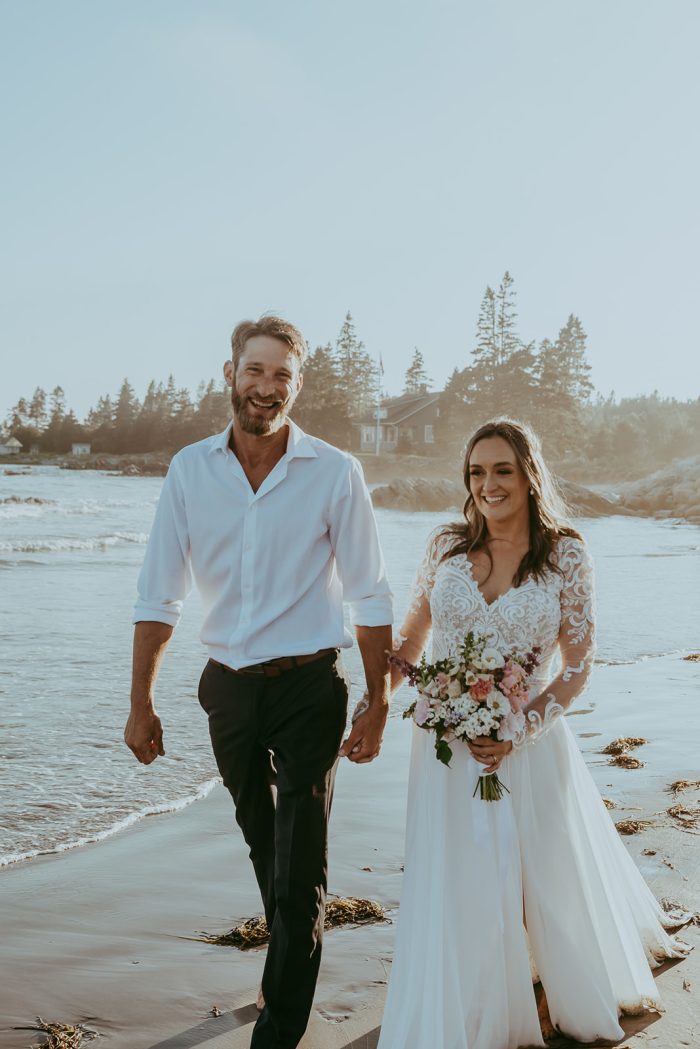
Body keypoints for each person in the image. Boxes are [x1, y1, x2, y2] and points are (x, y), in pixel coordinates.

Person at [124, 315, 392, 1049]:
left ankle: (277, 1030)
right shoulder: (189, 471)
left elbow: (370, 594)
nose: (267, 387)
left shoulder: (335, 471)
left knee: (299, 853)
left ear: (297, 386)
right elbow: (159, 594)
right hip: (229, 690)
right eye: (256, 370)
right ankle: (289, 949)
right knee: (259, 839)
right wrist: (141, 700)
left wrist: (378, 699)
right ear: (230, 373)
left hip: (312, 687)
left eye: (282, 375)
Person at [377, 418, 689, 1049]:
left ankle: (549, 988)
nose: (488, 485)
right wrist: (399, 696)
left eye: (502, 470)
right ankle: (475, 995)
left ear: (528, 475)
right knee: (460, 875)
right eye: (476, 472)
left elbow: (577, 665)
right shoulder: (444, 546)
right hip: (446, 746)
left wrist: (518, 727)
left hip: (530, 743)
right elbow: (410, 641)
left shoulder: (566, 553)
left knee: (540, 875)